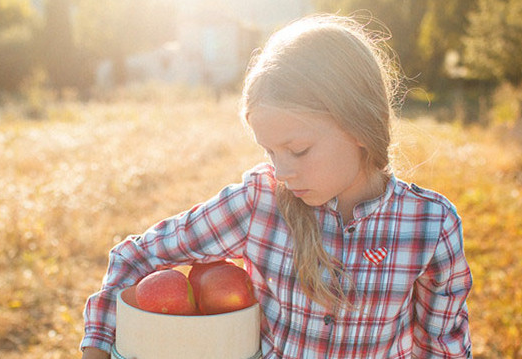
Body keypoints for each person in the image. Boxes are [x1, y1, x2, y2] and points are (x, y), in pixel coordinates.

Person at [81, 14, 472, 359]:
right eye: (270, 152)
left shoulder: (431, 225)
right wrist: (97, 345)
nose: (282, 171)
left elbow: (443, 344)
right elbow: (135, 256)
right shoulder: (259, 202)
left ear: (360, 127)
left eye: (298, 150)